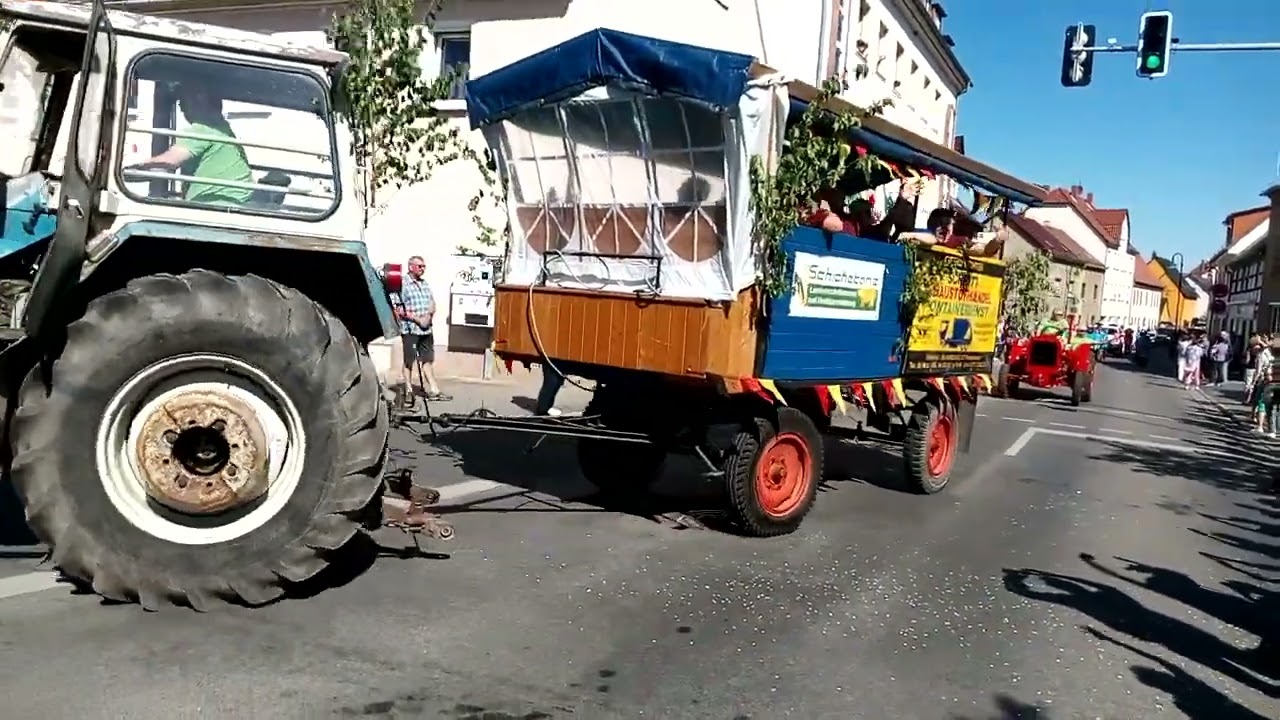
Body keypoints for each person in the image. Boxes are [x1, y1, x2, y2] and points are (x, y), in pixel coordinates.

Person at [128, 85, 253, 206]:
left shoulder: (202, 129)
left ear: (200, 99)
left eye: (182, 102)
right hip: (233, 203)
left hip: (214, 204)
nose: (182, 109)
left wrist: (127, 171)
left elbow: (169, 161)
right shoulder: (222, 127)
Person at [394, 255, 451, 405]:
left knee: (427, 360)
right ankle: (408, 390)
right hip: (411, 329)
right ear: (411, 267)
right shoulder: (402, 284)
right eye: (420, 266)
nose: (423, 269)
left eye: (424, 266)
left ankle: (434, 390)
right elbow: (398, 310)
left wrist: (429, 315)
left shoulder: (424, 284)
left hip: (426, 330)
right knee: (409, 361)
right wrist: (418, 320)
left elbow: (432, 301)